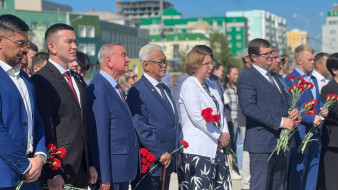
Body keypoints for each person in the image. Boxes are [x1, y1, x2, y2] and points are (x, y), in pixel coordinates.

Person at [31, 23, 98, 188]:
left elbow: (84, 123)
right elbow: (45, 128)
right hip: (60, 168)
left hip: (81, 167)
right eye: (69, 42)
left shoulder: (77, 79)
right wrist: (51, 172)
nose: (74, 46)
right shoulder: (41, 80)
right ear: (52, 47)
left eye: (75, 41)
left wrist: (90, 163)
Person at [237, 38, 300, 190]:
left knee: (279, 185)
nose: (271, 57)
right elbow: (249, 108)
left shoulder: (275, 77)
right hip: (262, 143)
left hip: (281, 142)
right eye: (267, 54)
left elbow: (284, 103)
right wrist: (280, 122)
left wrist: (293, 114)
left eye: (272, 53)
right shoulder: (247, 77)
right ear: (254, 57)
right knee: (261, 185)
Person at [0, 14, 46, 189]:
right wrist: (24, 165)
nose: (26, 49)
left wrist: (41, 156)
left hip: (30, 176)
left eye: (26, 43)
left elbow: (36, 120)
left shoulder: (25, 79)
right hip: (5, 177)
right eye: (20, 43)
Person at [177, 45, 232, 189]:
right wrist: (219, 135)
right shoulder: (189, 85)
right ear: (194, 65)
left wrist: (225, 133)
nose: (211, 67)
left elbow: (220, 111)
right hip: (197, 150)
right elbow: (197, 118)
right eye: (206, 64)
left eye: (211, 63)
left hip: (216, 148)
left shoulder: (210, 84)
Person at [87, 43, 139, 190]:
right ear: (109, 61)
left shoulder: (113, 86)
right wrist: (104, 177)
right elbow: (99, 135)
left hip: (121, 171)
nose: (128, 59)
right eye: (123, 55)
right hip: (110, 175)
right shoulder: (99, 88)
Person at [128, 44, 180, 190]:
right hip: (151, 164)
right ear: (146, 65)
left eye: (165, 61)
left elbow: (173, 122)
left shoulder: (164, 88)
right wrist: (159, 152)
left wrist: (176, 150)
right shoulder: (137, 90)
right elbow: (140, 126)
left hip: (167, 160)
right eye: (160, 62)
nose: (164, 65)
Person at [285, 45, 328, 190]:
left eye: (313, 59)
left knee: (313, 168)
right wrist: (310, 118)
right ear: (299, 60)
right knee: (300, 170)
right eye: (309, 60)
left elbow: (316, 100)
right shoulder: (290, 79)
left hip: (315, 131)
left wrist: (322, 108)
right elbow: (292, 108)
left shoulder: (314, 79)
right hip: (300, 132)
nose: (313, 62)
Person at [317, 53, 338, 190]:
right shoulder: (327, 89)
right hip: (333, 142)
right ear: (335, 70)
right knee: (332, 182)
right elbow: (330, 115)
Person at [224, 66, 243, 180]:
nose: (236, 76)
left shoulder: (240, 88)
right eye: (234, 74)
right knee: (231, 146)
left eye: (237, 74)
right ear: (228, 75)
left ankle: (240, 167)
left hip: (240, 119)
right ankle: (232, 169)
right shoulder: (225, 88)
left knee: (240, 144)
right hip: (231, 120)